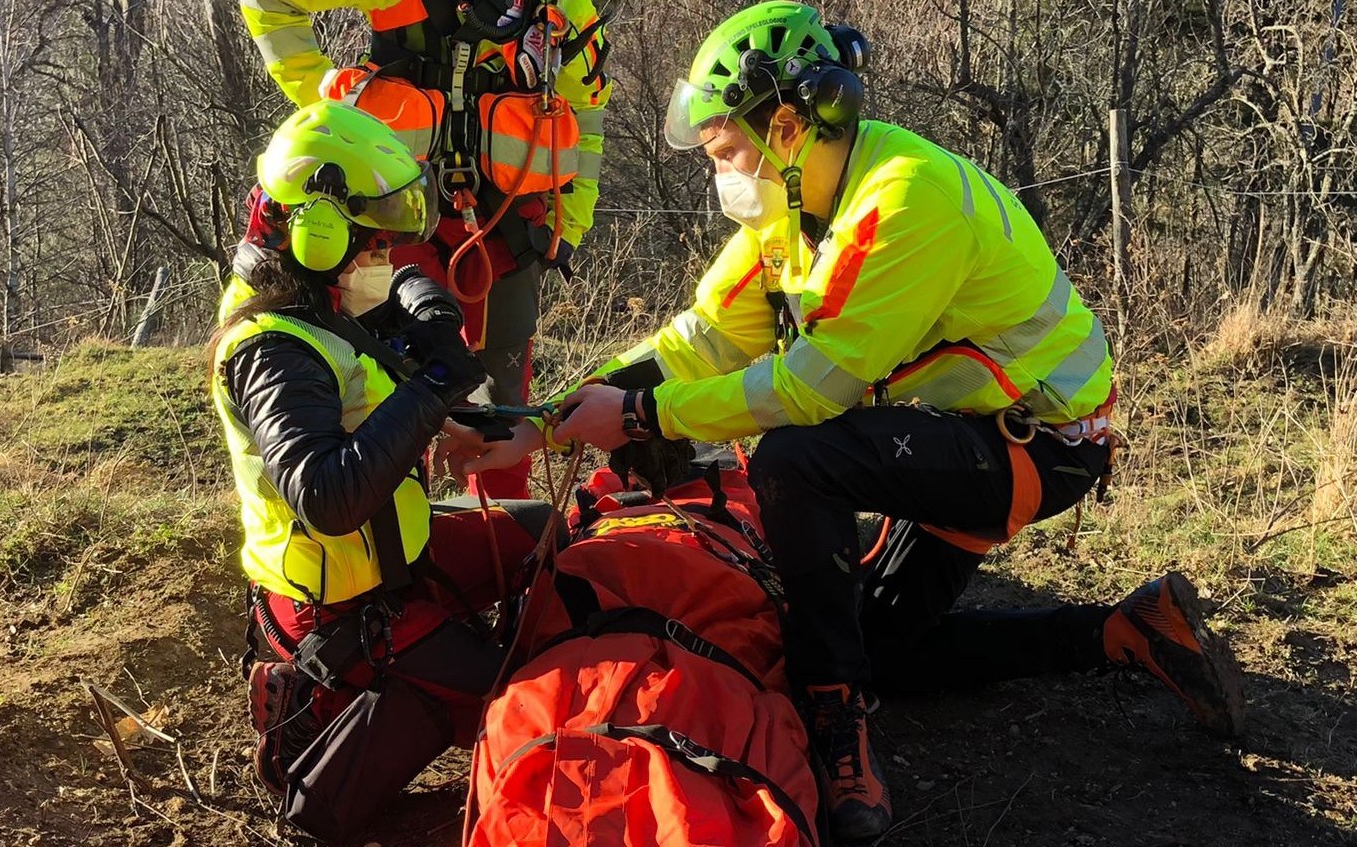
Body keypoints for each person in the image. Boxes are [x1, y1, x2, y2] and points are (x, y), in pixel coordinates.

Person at [441, 3, 1246, 844]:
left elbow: (811, 391)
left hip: (1043, 442)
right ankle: (1122, 630)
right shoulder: (793, 203)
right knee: (880, 647)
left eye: (726, 151)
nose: (720, 174)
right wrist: (542, 423)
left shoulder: (907, 200)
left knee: (795, 460)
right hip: (958, 433)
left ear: (786, 127)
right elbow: (701, 340)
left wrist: (641, 414)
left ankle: (837, 720)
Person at [210, 101, 551, 804]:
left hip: (396, 554)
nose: (384, 258)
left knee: (545, 536)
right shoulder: (270, 347)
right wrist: (430, 388)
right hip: (345, 614)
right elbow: (328, 496)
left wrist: (428, 325)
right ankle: (325, 707)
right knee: (527, 699)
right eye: (373, 243)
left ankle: (473, 641)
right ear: (319, 231)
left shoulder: (309, 294)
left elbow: (382, 324)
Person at [240, 0, 613, 499]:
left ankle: (504, 531)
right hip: (392, 215)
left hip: (511, 225)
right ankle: (398, 525)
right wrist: (328, 110)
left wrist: (574, 219)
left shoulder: (563, 8)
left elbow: (586, 108)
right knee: (389, 377)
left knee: (503, 394)